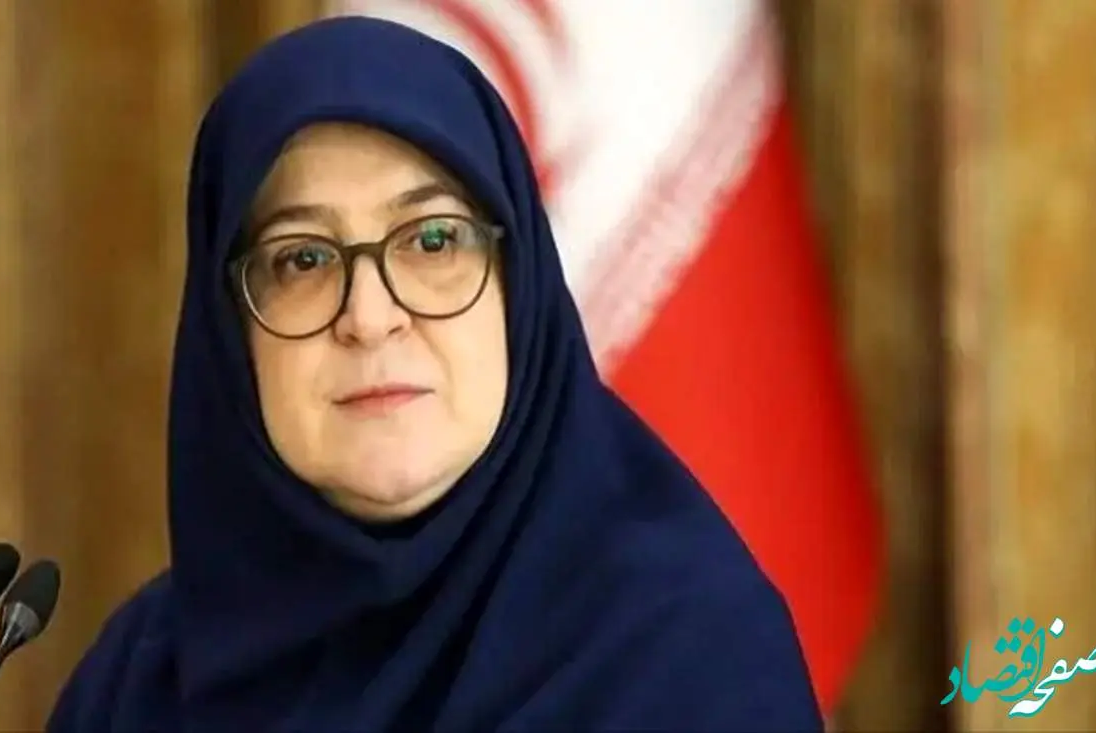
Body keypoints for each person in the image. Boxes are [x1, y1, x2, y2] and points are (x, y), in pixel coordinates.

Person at [46, 15, 822, 732]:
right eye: (303, 258)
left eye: (432, 241)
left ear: (518, 288)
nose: (370, 315)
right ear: (229, 330)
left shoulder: (688, 657)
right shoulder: (137, 681)